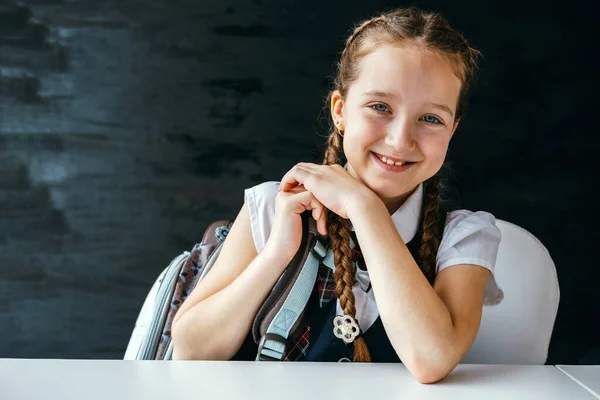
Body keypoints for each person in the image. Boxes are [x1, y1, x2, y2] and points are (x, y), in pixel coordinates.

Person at [171, 6, 503, 384]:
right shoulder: (272, 205)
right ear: (340, 111)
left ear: (453, 129)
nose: (399, 140)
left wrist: (365, 209)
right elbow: (191, 350)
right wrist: (278, 252)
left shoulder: (466, 238)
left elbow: (431, 360)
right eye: (380, 107)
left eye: (430, 118)